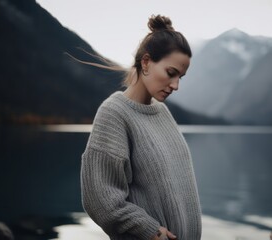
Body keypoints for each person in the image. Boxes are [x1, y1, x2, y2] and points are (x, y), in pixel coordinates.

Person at [80, 14, 202, 240]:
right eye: (171, 73)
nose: (175, 85)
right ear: (146, 62)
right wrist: (150, 230)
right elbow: (100, 199)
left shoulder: (162, 112)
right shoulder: (114, 113)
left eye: (181, 78)